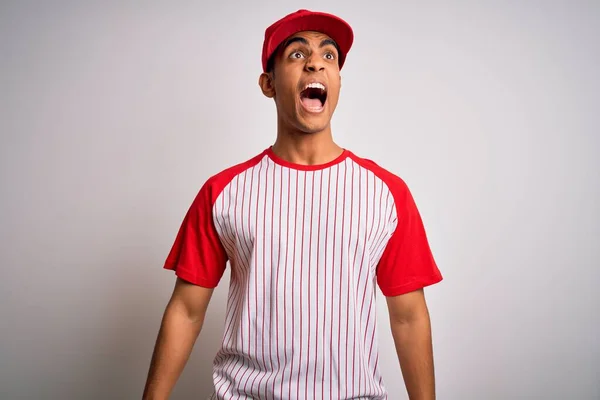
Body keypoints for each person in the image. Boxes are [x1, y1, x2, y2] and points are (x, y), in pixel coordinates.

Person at [143, 9, 443, 400]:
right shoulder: (223, 192)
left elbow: (408, 316)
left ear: (337, 81)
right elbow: (186, 310)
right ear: (268, 84)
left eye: (329, 56)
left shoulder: (387, 193)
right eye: (297, 54)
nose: (316, 62)